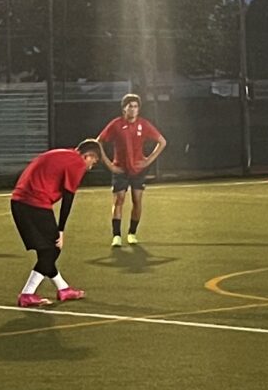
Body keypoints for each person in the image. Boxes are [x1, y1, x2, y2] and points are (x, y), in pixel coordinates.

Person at [12, 140, 104, 306]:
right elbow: (68, 199)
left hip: (19, 201)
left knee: (45, 251)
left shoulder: (65, 154)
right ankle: (27, 293)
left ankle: (63, 289)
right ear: (87, 155)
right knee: (53, 248)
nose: (92, 166)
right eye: (94, 161)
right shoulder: (77, 163)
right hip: (34, 202)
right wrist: (60, 230)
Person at [98, 93, 168, 248]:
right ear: (124, 109)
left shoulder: (144, 124)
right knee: (119, 200)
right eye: (130, 106)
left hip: (137, 170)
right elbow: (98, 142)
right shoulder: (116, 124)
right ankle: (116, 236)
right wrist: (109, 165)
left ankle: (132, 233)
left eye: (136, 107)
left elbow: (162, 141)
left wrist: (148, 161)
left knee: (137, 201)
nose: (133, 109)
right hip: (120, 169)